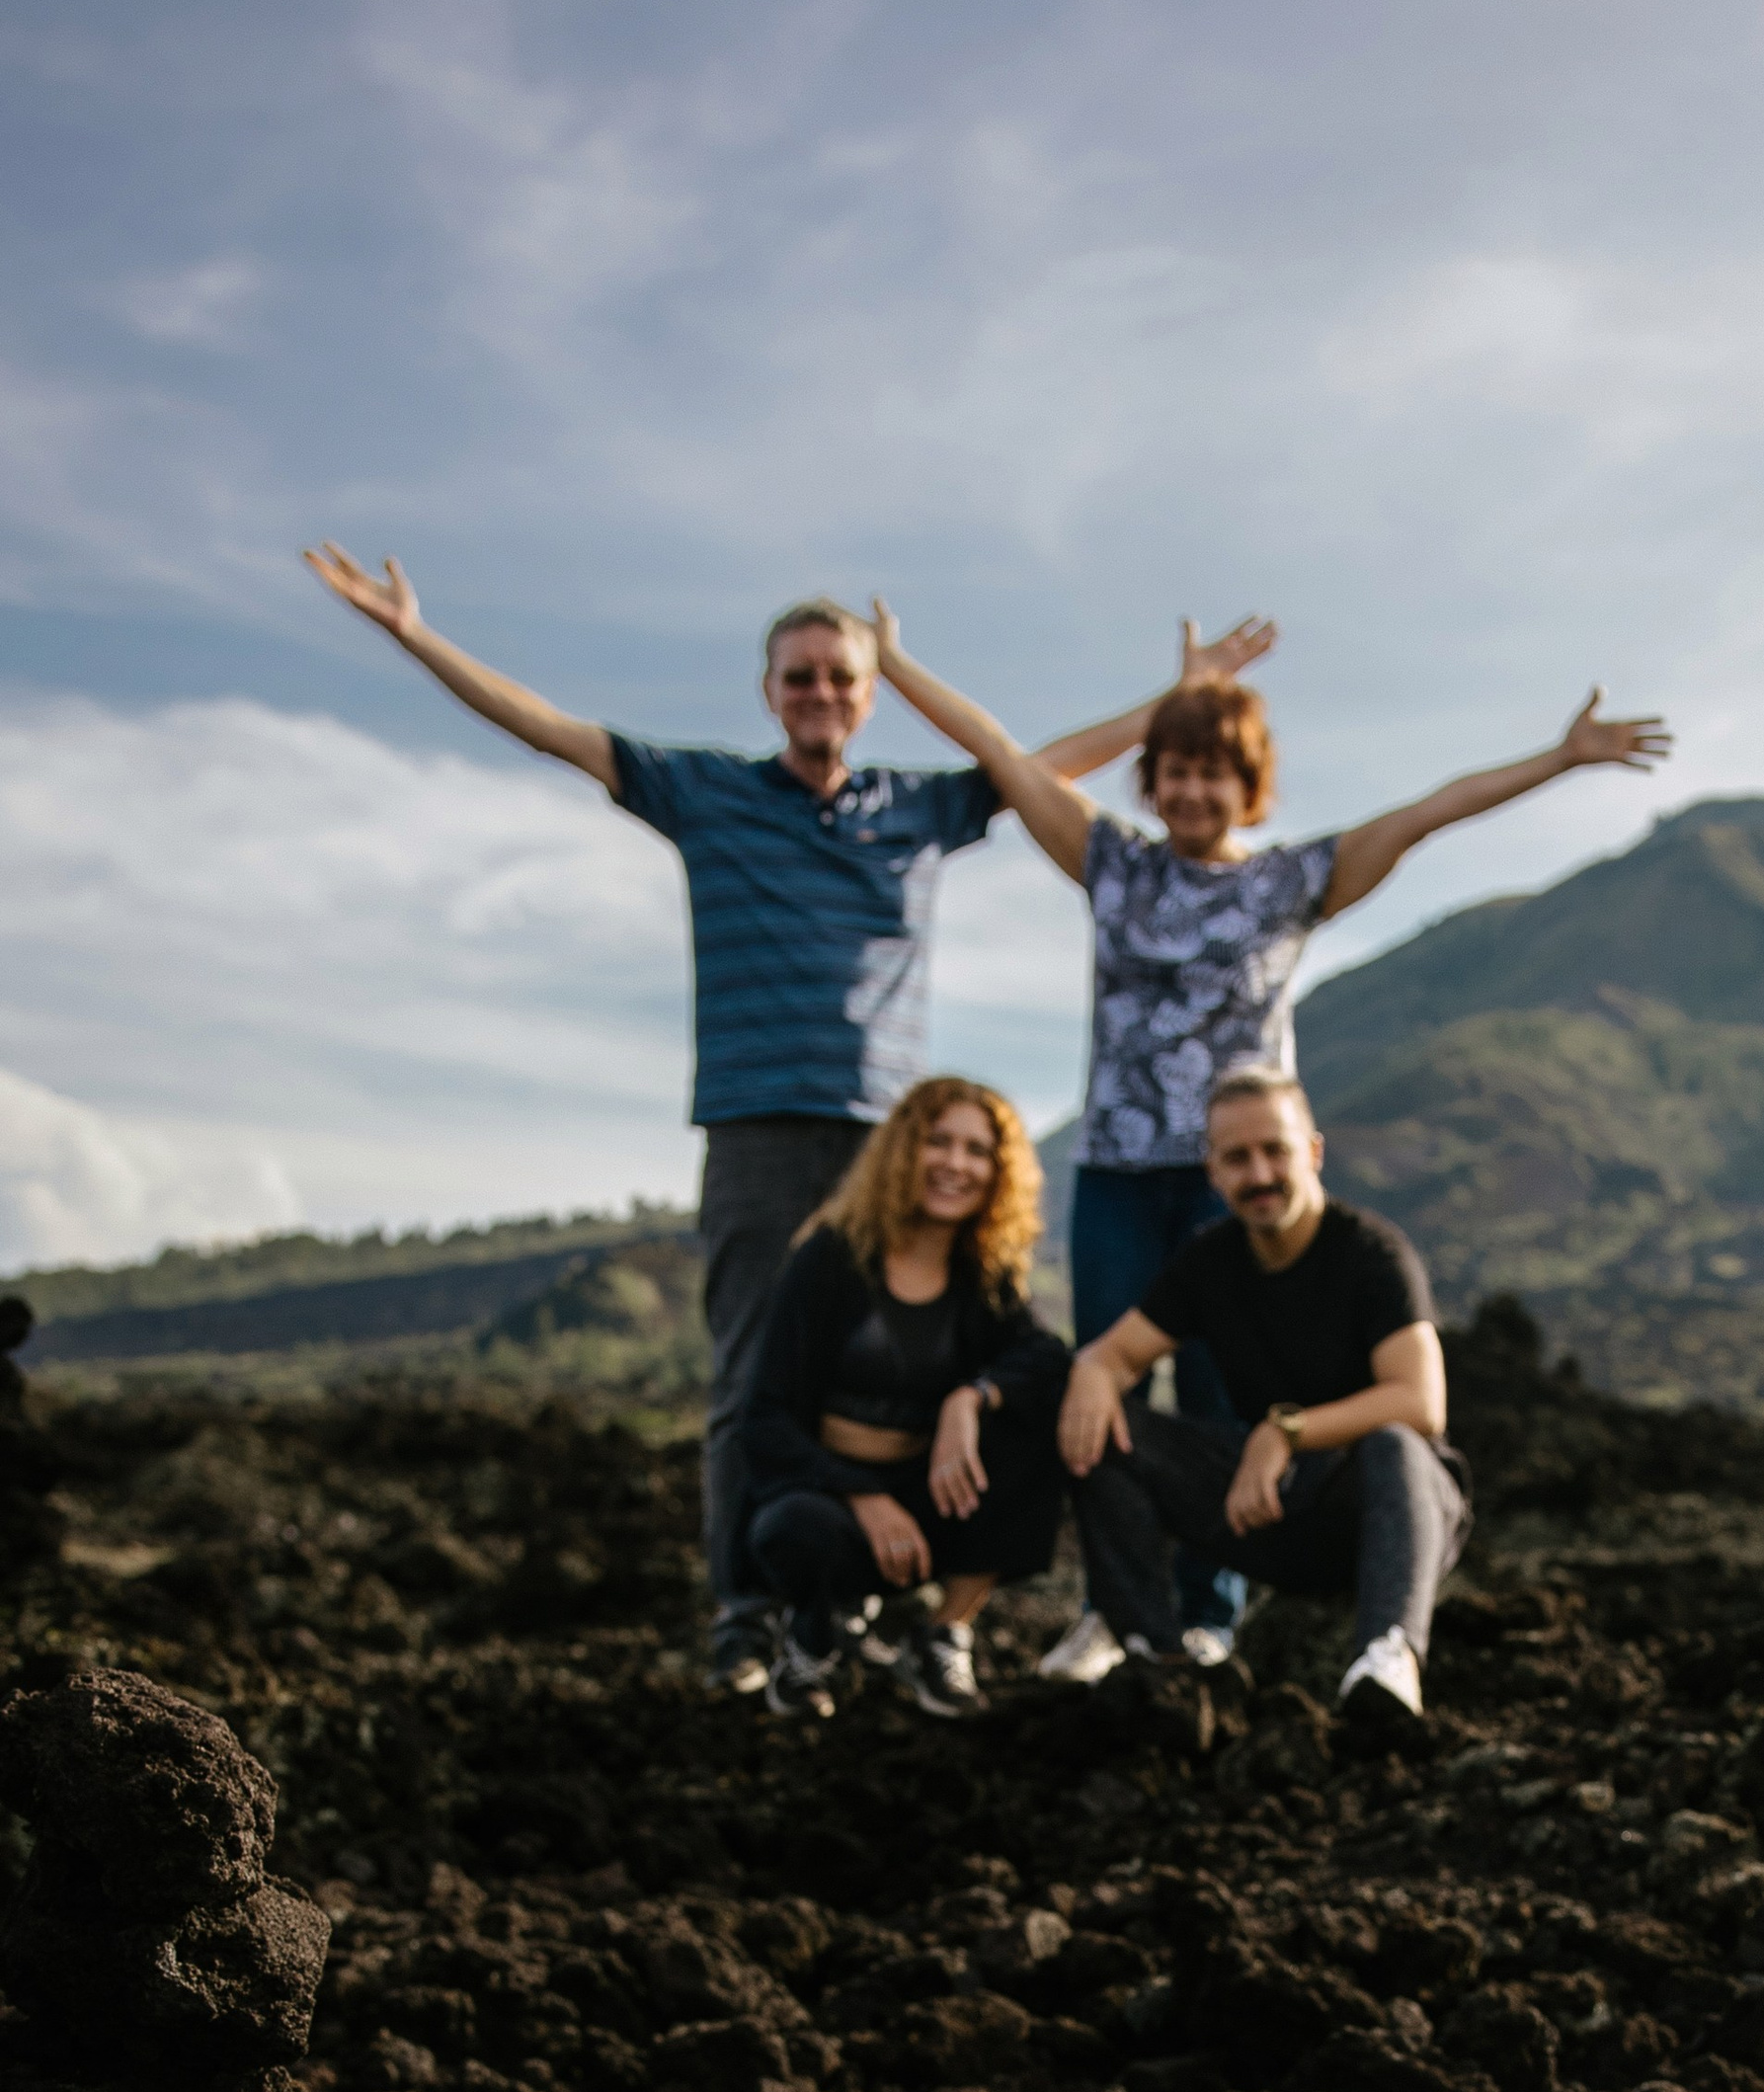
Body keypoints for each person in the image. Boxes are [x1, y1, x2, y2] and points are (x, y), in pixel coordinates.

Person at [300, 542, 1268, 1688]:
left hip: (890, 1145)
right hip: (756, 1125)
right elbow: (551, 730)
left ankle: (885, 1609)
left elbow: (1034, 764)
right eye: (799, 676)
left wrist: (1181, 700)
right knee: (755, 1371)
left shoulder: (915, 807)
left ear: (867, 694)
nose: (820, 693)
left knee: (922, 1371)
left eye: (840, 676)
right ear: (769, 691)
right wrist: (415, 637)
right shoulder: (705, 791)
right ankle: (749, 1616)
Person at [859, 603, 1666, 1683]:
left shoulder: (1289, 882)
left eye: (1215, 774)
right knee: (1104, 1397)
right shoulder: (1114, 865)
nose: (1193, 792)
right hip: (1118, 1173)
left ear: (1250, 787)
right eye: (1175, 772)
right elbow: (1001, 754)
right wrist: (896, 664)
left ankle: (1211, 1614)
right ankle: (1114, 1611)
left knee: (1219, 1399)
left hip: (1228, 1187)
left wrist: (1560, 759)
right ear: (1152, 782)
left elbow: (1427, 814)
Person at [1056, 1065, 1469, 1723]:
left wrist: (1284, 1431)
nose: (1259, 1174)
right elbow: (1114, 1356)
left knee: (1394, 1444)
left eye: (1275, 1150)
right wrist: (1090, 1372)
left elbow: (1421, 1404)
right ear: (1213, 1172)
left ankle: (1387, 1661)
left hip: (1385, 1513)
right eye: (1237, 1158)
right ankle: (1159, 1658)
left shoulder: (1373, 1254)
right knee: (1108, 1428)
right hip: (1272, 1512)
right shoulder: (1210, 1261)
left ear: (1313, 1152)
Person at [734, 1076, 1068, 1721]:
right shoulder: (831, 1257)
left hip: (931, 1496)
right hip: (829, 1496)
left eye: (977, 1150)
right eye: (938, 1142)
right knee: (794, 1531)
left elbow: (1045, 1356)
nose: (956, 1164)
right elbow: (764, 1417)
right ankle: (812, 1641)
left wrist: (969, 1400)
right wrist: (862, 1495)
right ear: (902, 1151)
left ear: (998, 1173)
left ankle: (942, 1633)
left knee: (1044, 1415)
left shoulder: (982, 1274)